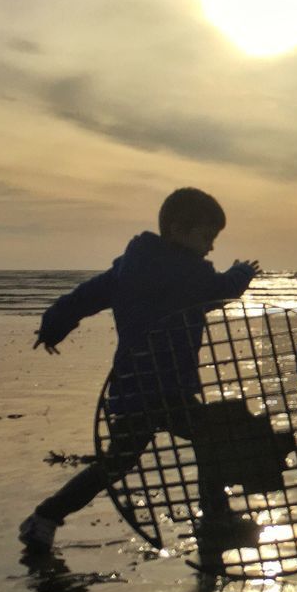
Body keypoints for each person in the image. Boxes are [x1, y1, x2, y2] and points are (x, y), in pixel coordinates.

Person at [18, 187, 263, 564]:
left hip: (134, 388)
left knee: (117, 462)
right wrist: (242, 271)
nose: (210, 247)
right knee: (212, 437)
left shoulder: (129, 267)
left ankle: (46, 516)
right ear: (178, 229)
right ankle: (215, 519)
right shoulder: (188, 272)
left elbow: (83, 298)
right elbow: (220, 291)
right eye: (206, 236)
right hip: (169, 389)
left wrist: (53, 325)